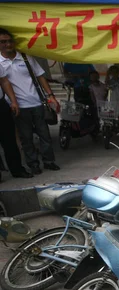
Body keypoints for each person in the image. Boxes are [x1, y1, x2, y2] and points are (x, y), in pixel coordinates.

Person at [0, 28, 60, 174]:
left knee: (44, 135)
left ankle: (48, 161)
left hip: (37, 102)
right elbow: (5, 83)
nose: (8, 44)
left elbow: (40, 76)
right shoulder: (0, 62)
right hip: (18, 106)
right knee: (26, 138)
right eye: (3, 42)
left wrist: (50, 95)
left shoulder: (25, 58)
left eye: (9, 41)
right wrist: (13, 102)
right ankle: (33, 164)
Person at [0, 62, 32, 179]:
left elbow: (4, 81)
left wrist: (13, 101)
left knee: (9, 139)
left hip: (1, 105)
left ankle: (17, 169)